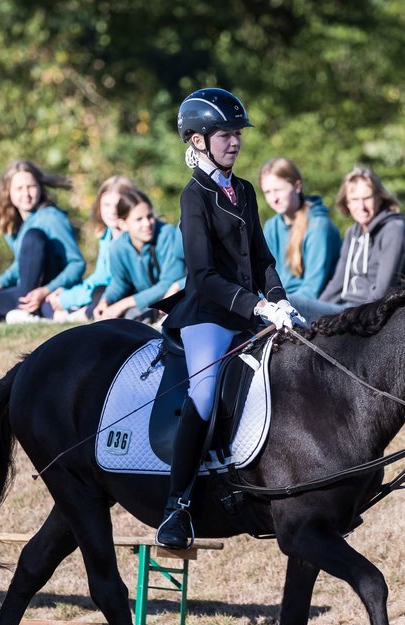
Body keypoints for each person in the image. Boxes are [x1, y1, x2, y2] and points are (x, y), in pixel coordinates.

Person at [154, 87, 302, 549]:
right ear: (198, 140)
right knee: (203, 392)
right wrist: (257, 307)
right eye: (225, 134)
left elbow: (262, 259)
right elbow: (203, 274)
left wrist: (280, 300)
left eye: (237, 134)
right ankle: (176, 506)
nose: (235, 141)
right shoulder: (193, 196)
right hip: (208, 316)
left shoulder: (244, 191)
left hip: (249, 311)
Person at [0, 159, 85, 323]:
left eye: (31, 187)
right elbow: (24, 263)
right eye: (19, 188)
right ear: (8, 192)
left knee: (33, 236)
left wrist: (45, 290)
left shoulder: (52, 217)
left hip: (49, 293)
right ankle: (22, 316)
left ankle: (29, 313)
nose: (26, 194)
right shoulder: (16, 224)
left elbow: (77, 264)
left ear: (40, 188)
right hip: (25, 294)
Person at [297, 166, 405, 318]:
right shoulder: (352, 233)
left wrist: (351, 318)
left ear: (379, 198)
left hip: (366, 314)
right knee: (296, 307)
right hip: (346, 308)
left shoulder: (394, 230)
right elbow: (337, 285)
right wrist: (317, 317)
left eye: (367, 198)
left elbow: (383, 292)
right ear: (347, 203)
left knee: (292, 303)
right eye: (354, 200)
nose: (361, 206)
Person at [38, 174, 138, 323]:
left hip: (125, 293)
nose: (112, 211)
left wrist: (69, 298)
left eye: (118, 205)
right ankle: (76, 312)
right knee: (49, 304)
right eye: (106, 205)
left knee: (99, 294)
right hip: (104, 291)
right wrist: (68, 294)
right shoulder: (107, 235)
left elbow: (112, 282)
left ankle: (79, 314)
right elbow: (100, 276)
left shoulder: (130, 238)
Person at [258, 157, 341, 312]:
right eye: (267, 192)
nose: (273, 198)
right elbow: (265, 276)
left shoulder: (318, 226)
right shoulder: (271, 226)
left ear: (297, 186)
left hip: (317, 306)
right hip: (284, 301)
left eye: (278, 190)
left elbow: (312, 289)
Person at [91, 188, 185, 322]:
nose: (147, 223)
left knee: (133, 315)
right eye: (139, 219)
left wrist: (124, 304)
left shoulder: (167, 234)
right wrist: (105, 301)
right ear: (123, 224)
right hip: (142, 300)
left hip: (170, 297)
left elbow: (169, 282)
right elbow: (120, 283)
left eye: (150, 216)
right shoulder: (117, 248)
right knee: (99, 293)